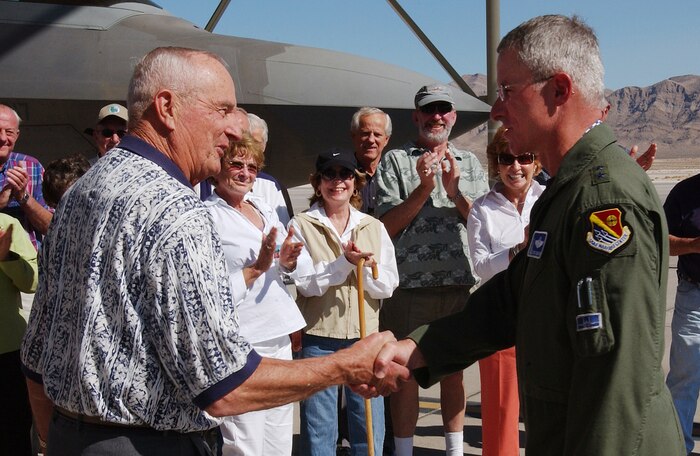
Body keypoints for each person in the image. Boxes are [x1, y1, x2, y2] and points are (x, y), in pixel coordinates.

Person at [20, 46, 407, 456]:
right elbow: (223, 385)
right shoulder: (177, 211)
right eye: (222, 110)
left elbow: (37, 358)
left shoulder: (82, 192)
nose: (235, 129)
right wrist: (345, 366)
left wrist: (57, 440)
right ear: (167, 107)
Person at [372, 14, 685, 455]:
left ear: (558, 90)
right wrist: (418, 349)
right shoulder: (567, 191)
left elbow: (616, 375)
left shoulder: (603, 200)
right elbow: (513, 299)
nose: (496, 110)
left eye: (507, 91)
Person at [374, 84, 489, 456]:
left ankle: (454, 451)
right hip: (410, 289)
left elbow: (482, 225)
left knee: (453, 372)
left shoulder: (469, 163)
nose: (436, 116)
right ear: (416, 116)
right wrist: (424, 189)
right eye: (429, 110)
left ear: (454, 116)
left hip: (457, 286)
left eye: (444, 110)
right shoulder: (395, 161)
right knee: (404, 374)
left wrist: (455, 193)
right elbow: (385, 227)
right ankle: (405, 451)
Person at [289, 147, 399, 456]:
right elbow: (307, 284)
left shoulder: (373, 227)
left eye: (345, 174)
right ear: (318, 182)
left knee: (368, 425)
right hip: (319, 338)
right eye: (330, 174)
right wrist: (344, 263)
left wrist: (364, 269)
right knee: (319, 428)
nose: (338, 182)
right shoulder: (301, 225)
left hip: (365, 339)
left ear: (356, 181)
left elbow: (388, 285)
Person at [204, 132, 306, 456]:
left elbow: (279, 270)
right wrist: (254, 270)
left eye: (252, 166)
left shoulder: (262, 206)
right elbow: (207, 290)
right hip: (240, 339)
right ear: (218, 167)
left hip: (277, 333)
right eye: (236, 164)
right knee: (245, 443)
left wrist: (285, 262)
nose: (245, 173)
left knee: (279, 439)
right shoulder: (206, 216)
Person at [467, 127, 545, 455]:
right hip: (501, 321)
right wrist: (517, 249)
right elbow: (481, 266)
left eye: (524, 157)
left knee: (551, 412)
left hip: (547, 318)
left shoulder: (551, 199)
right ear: (495, 165)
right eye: (506, 158)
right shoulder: (481, 210)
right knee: (501, 415)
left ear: (536, 163)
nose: (516, 166)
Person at [664, 172, 700, 454]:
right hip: (694, 298)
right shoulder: (684, 193)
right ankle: (677, 447)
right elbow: (661, 241)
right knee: (684, 377)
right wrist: (694, 245)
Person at [0, 214, 38, 456]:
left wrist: (6, 257)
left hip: (7, 351)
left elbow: (31, 281)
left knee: (12, 433)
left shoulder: (5, 225)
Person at [0, 104, 53, 249]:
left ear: (17, 135)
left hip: (25, 266)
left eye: (9, 132)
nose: (3, 138)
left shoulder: (31, 166)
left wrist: (23, 197)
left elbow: (51, 227)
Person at [248, 112, 294, 225]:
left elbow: (283, 231)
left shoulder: (271, 185)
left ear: (264, 146)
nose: (249, 148)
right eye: (243, 142)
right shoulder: (208, 181)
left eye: (255, 143)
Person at [350, 107, 392, 215]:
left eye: (377, 134)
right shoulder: (343, 173)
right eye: (365, 134)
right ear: (353, 136)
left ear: (386, 140)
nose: (371, 140)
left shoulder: (395, 174)